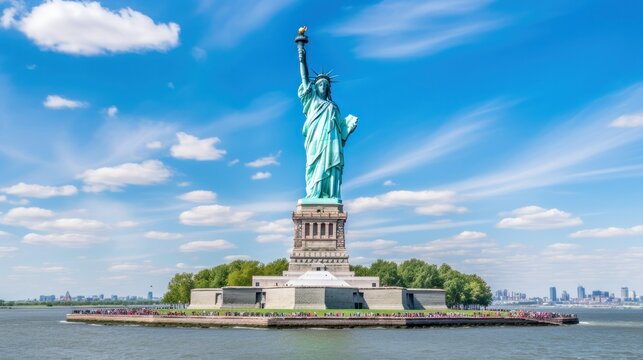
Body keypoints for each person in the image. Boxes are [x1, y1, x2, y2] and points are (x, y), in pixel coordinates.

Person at [297, 45, 358, 201]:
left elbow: (341, 130)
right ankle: (314, 194)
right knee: (314, 165)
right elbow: (304, 80)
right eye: (320, 85)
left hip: (332, 142)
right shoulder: (311, 100)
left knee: (331, 167)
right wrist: (302, 56)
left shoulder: (334, 107)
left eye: (325, 85)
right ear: (315, 87)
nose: (323, 87)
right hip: (316, 139)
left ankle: (330, 195)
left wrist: (348, 127)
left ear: (328, 88)